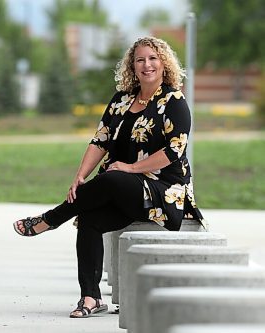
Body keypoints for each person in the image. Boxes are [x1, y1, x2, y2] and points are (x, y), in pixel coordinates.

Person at [13, 36, 206, 318]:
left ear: (164, 64)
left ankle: (51, 219)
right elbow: (100, 141)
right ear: (132, 66)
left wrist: (128, 168)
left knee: (113, 176)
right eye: (140, 60)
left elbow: (173, 152)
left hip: (163, 191)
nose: (147, 65)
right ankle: (90, 298)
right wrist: (80, 177)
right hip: (120, 188)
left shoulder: (174, 101)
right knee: (90, 218)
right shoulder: (122, 100)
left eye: (152, 58)